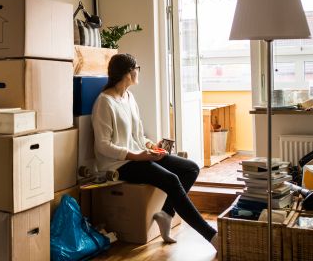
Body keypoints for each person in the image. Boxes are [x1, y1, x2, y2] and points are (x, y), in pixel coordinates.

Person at [91, 53, 219, 250]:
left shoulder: (128, 97)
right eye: (137, 68)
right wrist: (137, 156)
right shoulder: (104, 102)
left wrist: (151, 146)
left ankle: (165, 213)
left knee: (191, 168)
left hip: (139, 156)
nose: (138, 72)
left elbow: (138, 136)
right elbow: (103, 145)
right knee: (172, 180)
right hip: (119, 164)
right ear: (128, 73)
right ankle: (211, 236)